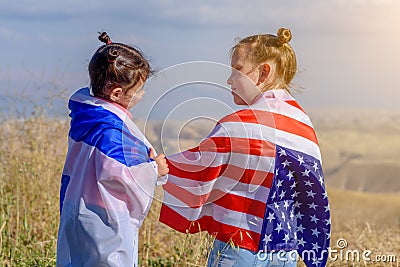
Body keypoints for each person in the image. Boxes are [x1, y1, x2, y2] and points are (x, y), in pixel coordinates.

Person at [159, 28, 330, 267]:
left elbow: (197, 167)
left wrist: (156, 168)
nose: (229, 80)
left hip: (239, 248)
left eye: (237, 70)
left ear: (263, 72)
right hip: (285, 251)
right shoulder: (304, 126)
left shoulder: (239, 125)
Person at [56, 32, 169, 267]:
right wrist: (153, 170)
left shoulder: (88, 114)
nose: (143, 94)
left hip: (76, 206)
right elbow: (118, 174)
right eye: (139, 90)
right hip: (104, 217)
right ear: (117, 93)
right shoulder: (110, 130)